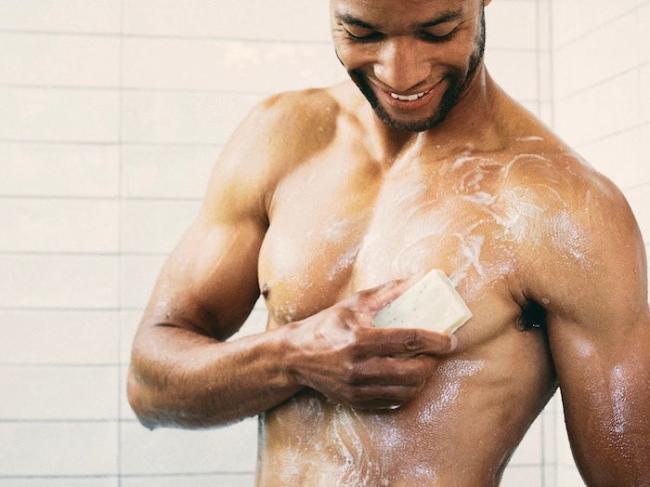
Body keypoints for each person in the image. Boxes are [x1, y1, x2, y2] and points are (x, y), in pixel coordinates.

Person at [127, 0, 650, 485]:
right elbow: (150, 387)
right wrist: (293, 356)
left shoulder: (564, 207)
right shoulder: (279, 140)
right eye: (363, 33)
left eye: (438, 31)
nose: (401, 74)